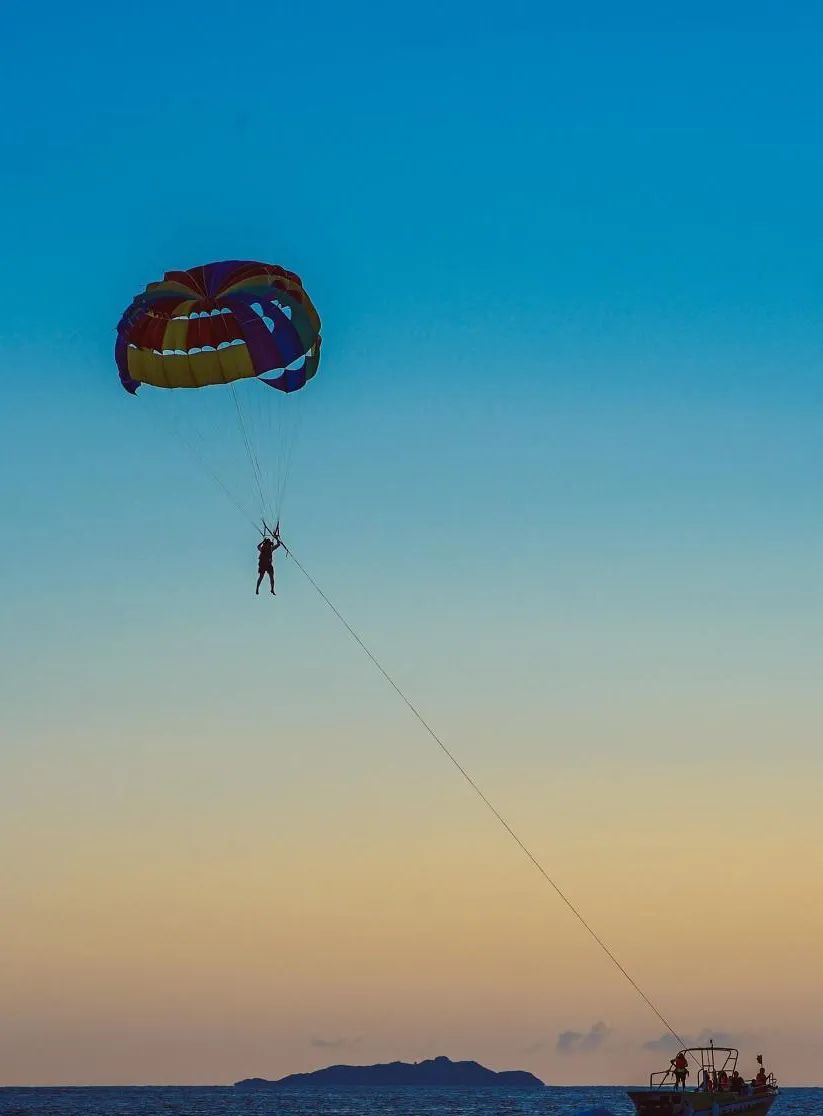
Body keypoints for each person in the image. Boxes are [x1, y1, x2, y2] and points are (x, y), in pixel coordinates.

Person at [256, 530, 282, 595]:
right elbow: (258, 546)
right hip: (262, 565)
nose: (268, 545)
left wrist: (276, 538)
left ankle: (272, 589)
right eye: (268, 544)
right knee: (261, 577)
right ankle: (257, 588)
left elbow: (278, 544)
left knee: (271, 577)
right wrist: (263, 542)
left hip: (268, 565)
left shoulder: (270, 548)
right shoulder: (263, 548)